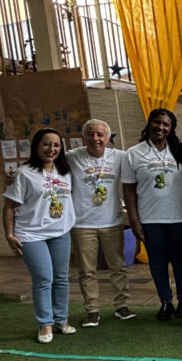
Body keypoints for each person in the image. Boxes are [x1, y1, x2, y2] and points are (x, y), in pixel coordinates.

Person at [2, 128, 77, 343]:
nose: (51, 149)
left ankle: (61, 320)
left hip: (60, 232)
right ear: (36, 146)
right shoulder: (24, 173)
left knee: (61, 278)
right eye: (46, 144)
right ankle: (45, 324)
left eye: (56, 145)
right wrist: (9, 235)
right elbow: (9, 207)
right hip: (31, 234)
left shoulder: (65, 171)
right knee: (44, 278)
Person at [122, 108, 182, 321]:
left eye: (166, 124)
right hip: (151, 218)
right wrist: (134, 220)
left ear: (171, 128)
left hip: (180, 216)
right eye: (157, 122)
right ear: (149, 123)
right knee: (157, 262)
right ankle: (165, 301)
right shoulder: (133, 153)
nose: (161, 127)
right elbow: (128, 189)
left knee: (180, 260)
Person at [66, 118, 133, 327]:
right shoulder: (71, 157)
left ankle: (121, 305)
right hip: (82, 224)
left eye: (100, 134)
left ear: (107, 137)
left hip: (111, 221)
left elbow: (142, 162)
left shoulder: (119, 156)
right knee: (86, 270)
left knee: (118, 266)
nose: (95, 138)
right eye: (90, 134)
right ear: (83, 137)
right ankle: (92, 310)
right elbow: (45, 163)